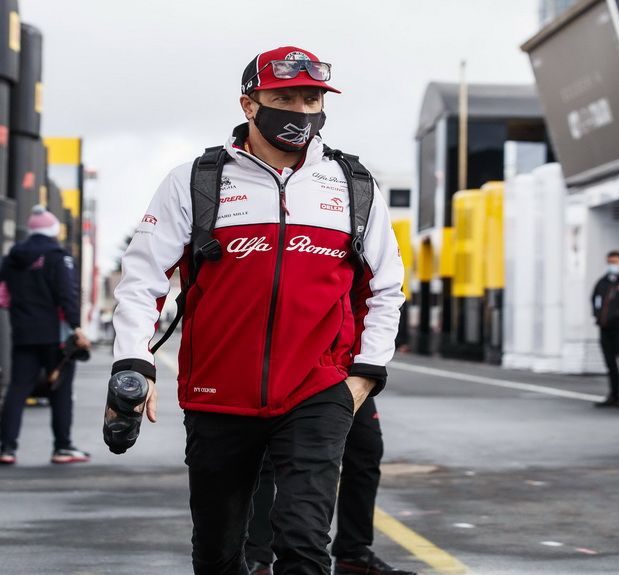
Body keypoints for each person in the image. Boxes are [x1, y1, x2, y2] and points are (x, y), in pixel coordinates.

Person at [111, 46, 404, 575]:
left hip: (318, 393)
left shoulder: (354, 186)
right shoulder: (195, 181)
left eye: (311, 98)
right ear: (250, 104)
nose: (300, 110)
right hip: (217, 393)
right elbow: (141, 281)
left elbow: (386, 287)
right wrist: (134, 362)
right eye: (283, 97)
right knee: (220, 554)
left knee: (304, 545)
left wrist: (363, 376)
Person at [245, 397, 417, 575]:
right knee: (265, 455)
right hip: (287, 374)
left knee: (366, 447)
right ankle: (257, 557)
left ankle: (353, 554)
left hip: (348, 374)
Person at [0, 206, 91, 465]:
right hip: (56, 335)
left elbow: (3, 294)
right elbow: (67, 294)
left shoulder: (11, 258)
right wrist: (76, 326)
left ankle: (6, 447)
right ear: (53, 231)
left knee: (17, 389)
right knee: (60, 389)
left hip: (22, 332)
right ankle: (62, 447)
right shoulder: (58, 256)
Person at [591, 250, 619, 407]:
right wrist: (597, 316)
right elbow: (595, 301)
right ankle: (614, 394)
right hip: (605, 328)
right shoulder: (603, 282)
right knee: (610, 363)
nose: (612, 265)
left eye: (615, 262)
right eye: (610, 262)